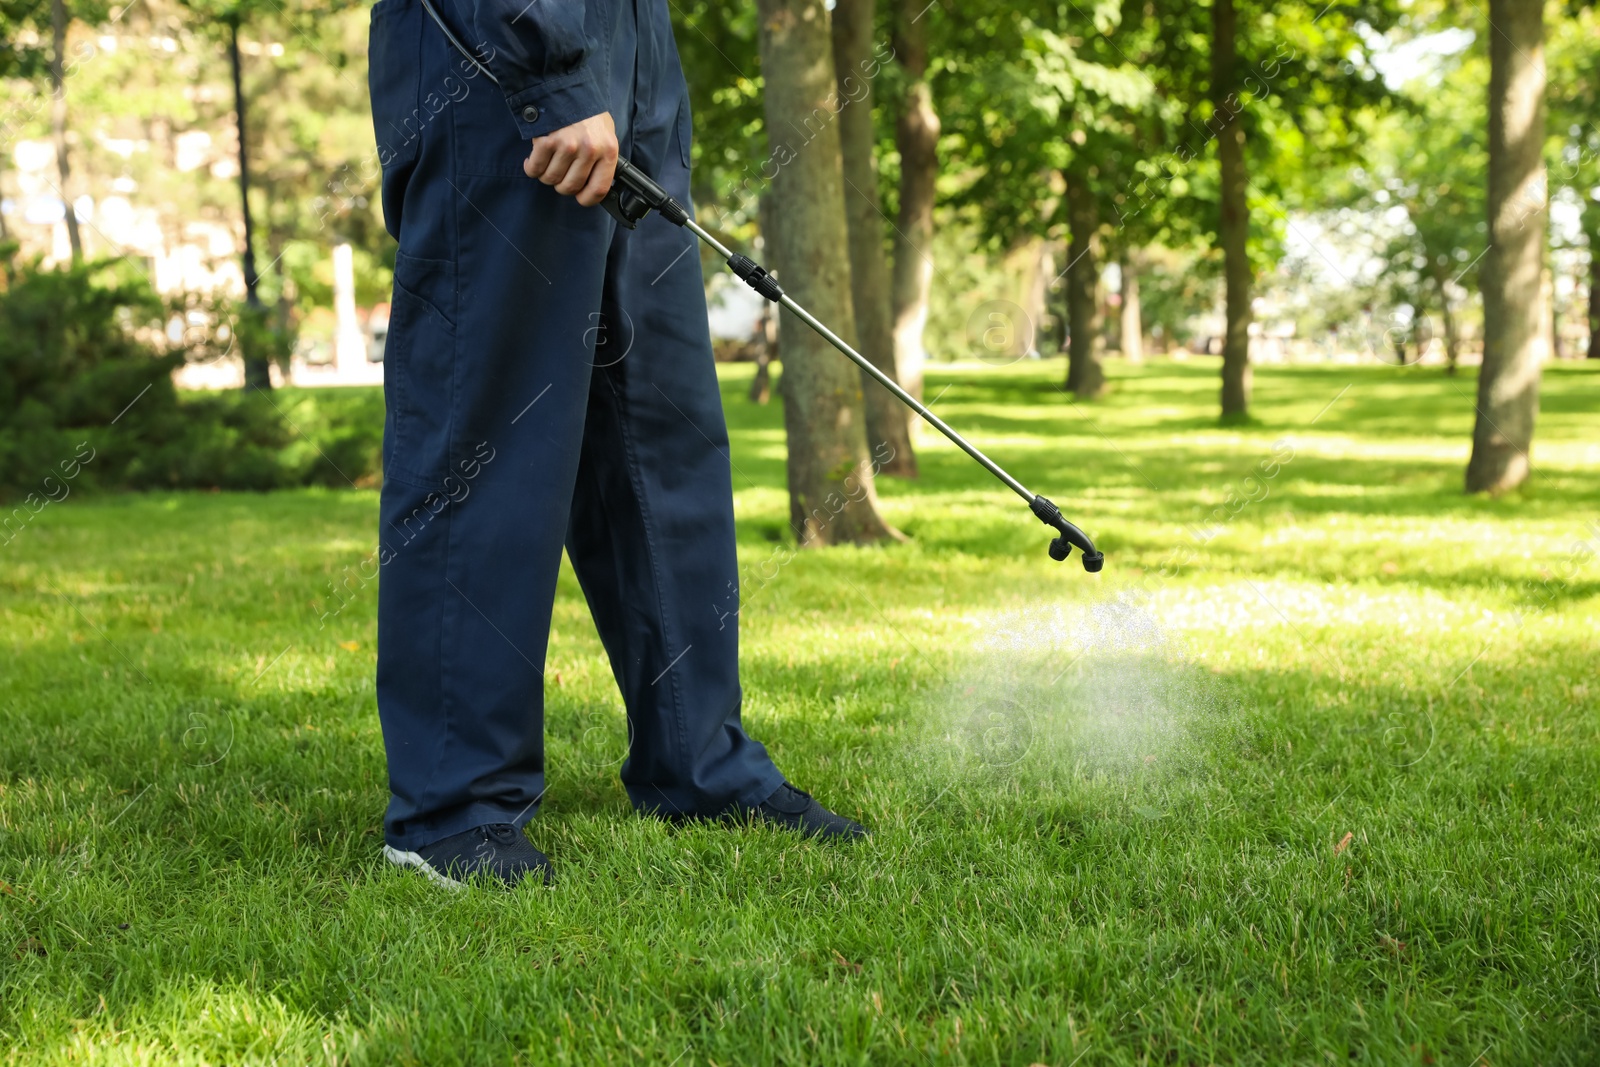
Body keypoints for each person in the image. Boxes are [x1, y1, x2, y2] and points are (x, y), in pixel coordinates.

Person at [364, 0, 866, 890]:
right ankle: (452, 808)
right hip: (494, 63)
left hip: (635, 65)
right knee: (485, 437)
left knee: (661, 438)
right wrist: (549, 70)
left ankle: (697, 763)